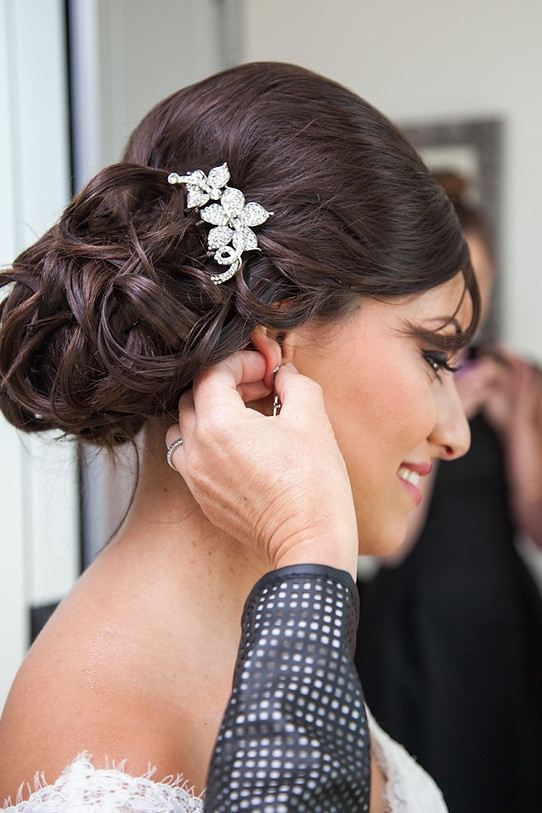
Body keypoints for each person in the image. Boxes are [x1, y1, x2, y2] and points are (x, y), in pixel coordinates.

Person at [0, 62, 480, 811]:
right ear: (274, 331)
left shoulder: (274, 629)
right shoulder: (101, 742)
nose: (457, 434)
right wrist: (315, 546)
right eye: (431, 356)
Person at [355, 171, 542, 812]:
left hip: (503, 614)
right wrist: (441, 409)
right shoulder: (393, 383)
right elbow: (391, 546)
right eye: (463, 276)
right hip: (417, 622)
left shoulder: (521, 379)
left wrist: (520, 429)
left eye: (484, 277)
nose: (474, 296)